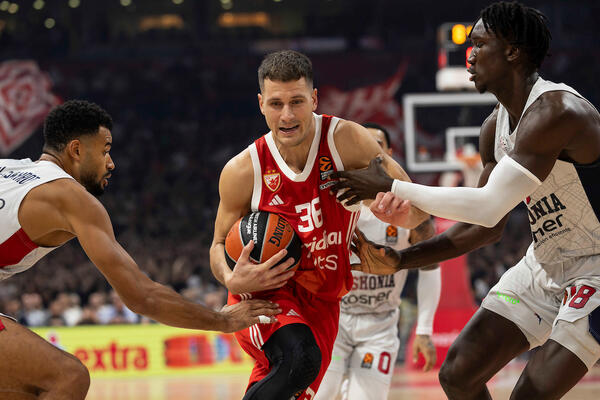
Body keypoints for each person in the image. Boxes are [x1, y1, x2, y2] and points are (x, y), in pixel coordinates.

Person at [331, 2, 600, 399]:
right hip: (544, 262)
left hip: (595, 268)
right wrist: (402, 260)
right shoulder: (495, 127)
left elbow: (487, 205)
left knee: (532, 392)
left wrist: (392, 187)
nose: (469, 55)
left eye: (479, 44)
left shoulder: (556, 110)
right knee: (457, 374)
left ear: (512, 50)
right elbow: (486, 228)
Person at [0, 100, 282, 399]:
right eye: (105, 150)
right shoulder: (70, 197)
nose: (111, 163)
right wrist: (222, 320)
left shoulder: (7, 167)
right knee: (67, 379)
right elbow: (141, 296)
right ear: (77, 150)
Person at [209, 50, 429, 400]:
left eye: (297, 101)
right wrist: (230, 277)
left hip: (325, 298)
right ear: (261, 104)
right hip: (266, 291)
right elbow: (218, 244)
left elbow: (418, 212)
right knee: (300, 359)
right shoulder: (243, 170)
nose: (287, 115)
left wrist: (401, 212)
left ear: (314, 99)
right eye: (276, 103)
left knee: (294, 384)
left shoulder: (348, 142)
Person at [314, 123, 441, 400]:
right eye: (363, 148)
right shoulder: (330, 203)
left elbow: (431, 266)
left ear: (389, 156)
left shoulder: (411, 211)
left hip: (380, 324)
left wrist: (424, 329)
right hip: (333, 320)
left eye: (377, 147)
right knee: (320, 395)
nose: (369, 155)